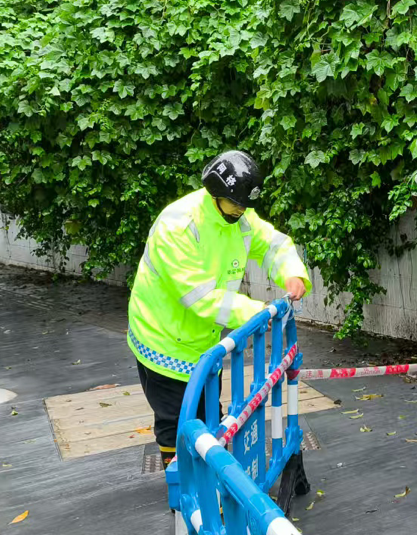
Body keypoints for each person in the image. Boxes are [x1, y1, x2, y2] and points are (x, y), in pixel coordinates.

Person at [128, 151, 310, 466]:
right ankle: (185, 500)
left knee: (209, 411)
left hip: (204, 341)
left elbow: (272, 244)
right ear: (216, 193)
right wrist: (258, 311)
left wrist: (292, 271)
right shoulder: (178, 226)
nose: (241, 210)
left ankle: (209, 479)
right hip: (163, 339)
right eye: (235, 203)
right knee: (177, 421)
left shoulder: (238, 215)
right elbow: (201, 298)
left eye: (245, 206)